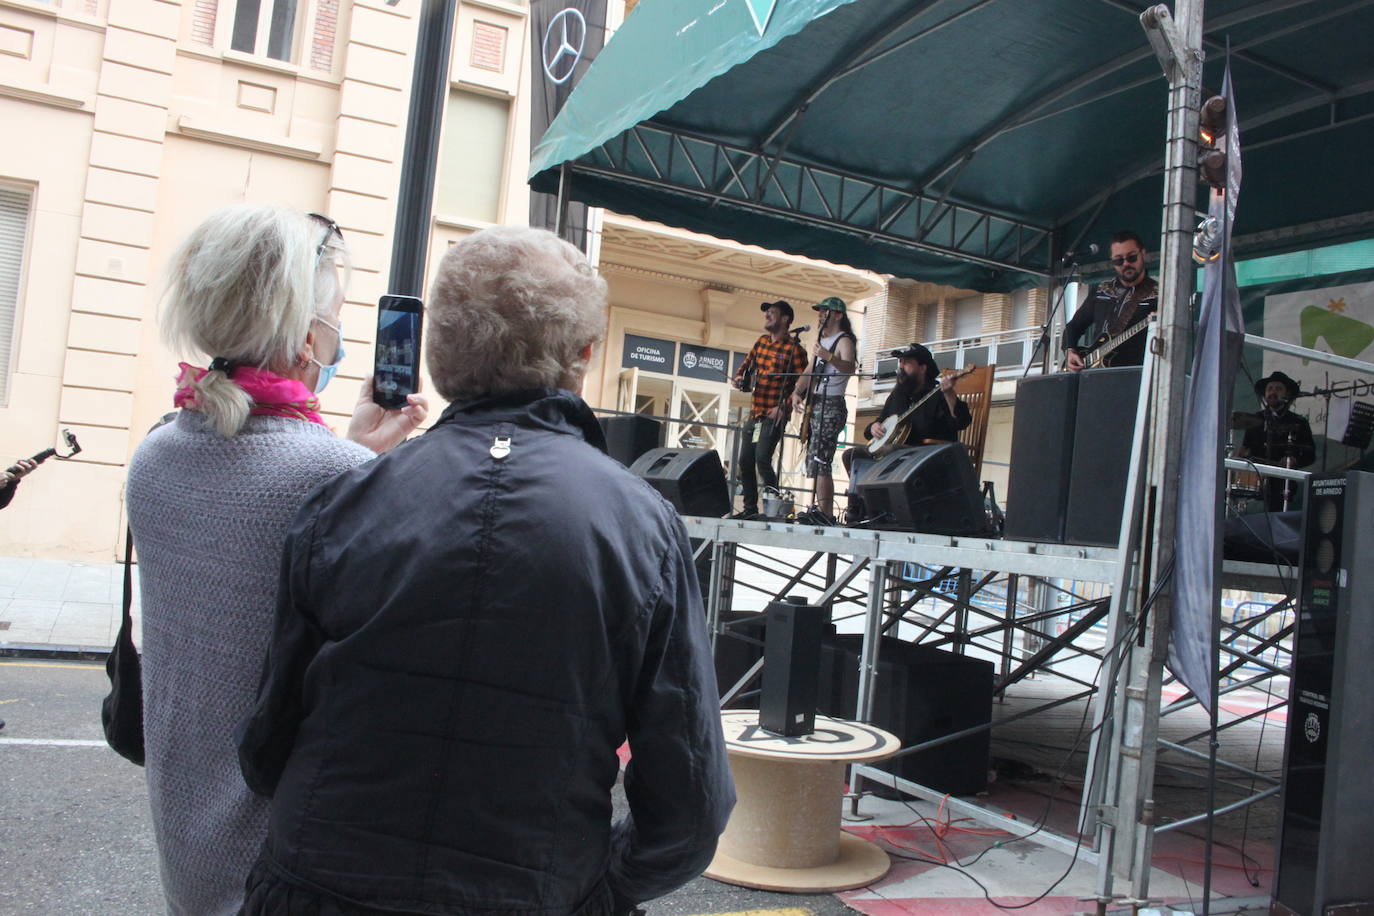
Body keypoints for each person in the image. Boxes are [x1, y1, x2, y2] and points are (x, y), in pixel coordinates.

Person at [236, 226, 735, 915]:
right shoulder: (643, 526)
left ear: (439, 356)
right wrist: (596, 887)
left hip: (317, 887)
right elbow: (690, 809)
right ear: (583, 357)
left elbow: (265, 750)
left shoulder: (345, 502)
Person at [125, 203, 427, 916]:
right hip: (282, 861)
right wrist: (360, 460)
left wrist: (355, 451)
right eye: (335, 320)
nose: (339, 337)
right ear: (302, 337)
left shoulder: (155, 454)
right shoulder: (332, 475)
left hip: (185, 847)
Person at [843, 343, 970, 523]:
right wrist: (874, 426)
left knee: (889, 453)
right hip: (898, 452)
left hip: (926, 455)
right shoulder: (898, 395)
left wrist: (950, 394)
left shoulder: (937, 393)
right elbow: (873, 428)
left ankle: (887, 509)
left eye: (907, 362)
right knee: (852, 454)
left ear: (923, 367)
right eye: (900, 362)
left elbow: (961, 422)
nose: (901, 367)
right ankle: (862, 509)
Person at [731, 300, 807, 519]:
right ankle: (750, 509)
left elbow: (803, 384)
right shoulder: (761, 342)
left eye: (772, 313)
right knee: (745, 459)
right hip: (756, 412)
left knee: (762, 457)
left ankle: (774, 510)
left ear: (785, 319)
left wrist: (784, 407)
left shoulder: (795, 350)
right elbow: (746, 365)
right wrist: (738, 378)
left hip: (775, 414)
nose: (767, 316)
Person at [791, 297, 857, 525]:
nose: (820, 315)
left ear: (838, 315)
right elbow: (810, 370)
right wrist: (796, 391)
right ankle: (820, 510)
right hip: (817, 401)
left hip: (832, 402)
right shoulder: (823, 339)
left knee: (822, 458)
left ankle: (826, 513)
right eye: (820, 311)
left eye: (825, 311)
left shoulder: (843, 340)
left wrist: (828, 356)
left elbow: (849, 367)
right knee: (815, 456)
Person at [1063, 230, 1158, 370]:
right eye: (1119, 260)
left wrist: (1158, 323)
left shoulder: (1157, 294)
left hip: (1133, 374)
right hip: (1094, 373)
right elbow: (1074, 326)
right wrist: (1070, 350)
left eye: (1131, 258)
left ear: (1143, 254)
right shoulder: (1102, 290)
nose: (1126, 264)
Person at [1236, 370, 1315, 510]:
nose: (1273, 392)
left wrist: (1294, 461)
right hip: (1256, 480)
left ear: (1287, 394)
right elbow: (1246, 448)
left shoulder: (1298, 422)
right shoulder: (1254, 420)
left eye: (1278, 389)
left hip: (1283, 482)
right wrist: (1242, 455)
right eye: (1270, 389)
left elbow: (1310, 454)